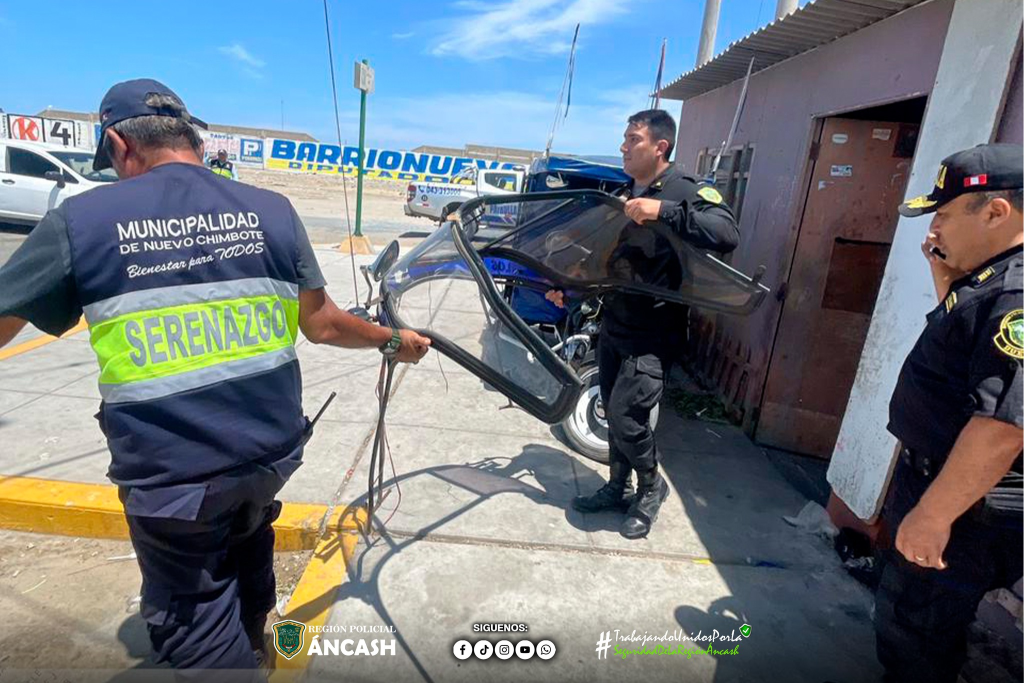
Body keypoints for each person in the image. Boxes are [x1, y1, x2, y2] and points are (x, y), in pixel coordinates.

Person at [0, 78, 431, 677]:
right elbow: (324, 324)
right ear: (194, 140)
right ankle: (254, 645)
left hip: (175, 479)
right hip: (269, 455)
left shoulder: (81, 220)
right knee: (248, 546)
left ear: (119, 145)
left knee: (196, 620)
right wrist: (391, 340)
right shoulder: (273, 211)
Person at [551, 109, 739, 539]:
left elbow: (726, 233)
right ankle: (618, 487)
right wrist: (569, 287)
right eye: (624, 138)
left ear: (660, 146)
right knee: (611, 409)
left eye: (633, 139)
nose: (623, 146)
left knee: (628, 415)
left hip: (655, 329)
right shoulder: (621, 194)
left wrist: (663, 210)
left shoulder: (684, 189)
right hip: (615, 322)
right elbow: (606, 260)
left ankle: (651, 488)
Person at [876, 143, 1023, 683]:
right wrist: (945, 277)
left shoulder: (1015, 297)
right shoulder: (988, 279)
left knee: (916, 637)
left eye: (943, 215)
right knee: (912, 620)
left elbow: (1001, 426)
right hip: (944, 490)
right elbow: (961, 352)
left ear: (995, 212)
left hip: (963, 509)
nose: (933, 229)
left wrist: (934, 516)